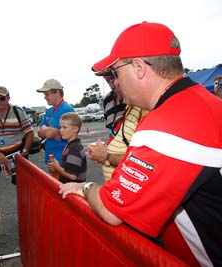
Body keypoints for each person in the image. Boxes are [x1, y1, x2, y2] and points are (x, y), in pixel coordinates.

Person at [59, 22, 222, 266]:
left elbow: (110, 210)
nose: (114, 83)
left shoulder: (165, 125)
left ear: (138, 68)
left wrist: (86, 187)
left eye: (114, 73)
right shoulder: (205, 103)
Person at [0, 86, 33, 210]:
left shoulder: (18, 111)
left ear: (8, 98)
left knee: (21, 183)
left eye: (2, 98)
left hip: (17, 151)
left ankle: (28, 207)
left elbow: (30, 133)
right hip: (1, 153)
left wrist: (24, 152)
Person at [89, 69, 148, 180]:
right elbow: (114, 132)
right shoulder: (112, 101)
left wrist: (107, 156)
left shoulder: (145, 108)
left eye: (114, 78)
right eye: (108, 81)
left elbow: (145, 162)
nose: (113, 85)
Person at [37, 78, 75, 165]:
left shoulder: (66, 109)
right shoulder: (49, 110)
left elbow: (49, 134)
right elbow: (39, 132)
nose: (45, 97)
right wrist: (47, 130)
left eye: (47, 94)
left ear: (57, 92)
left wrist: (46, 130)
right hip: (52, 159)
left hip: (63, 160)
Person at [48, 112, 87, 184]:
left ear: (75, 129)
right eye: (60, 127)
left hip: (73, 189)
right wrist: (56, 167)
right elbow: (69, 169)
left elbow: (72, 175)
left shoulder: (74, 148)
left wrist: (57, 167)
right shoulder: (72, 145)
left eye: (64, 127)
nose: (61, 130)